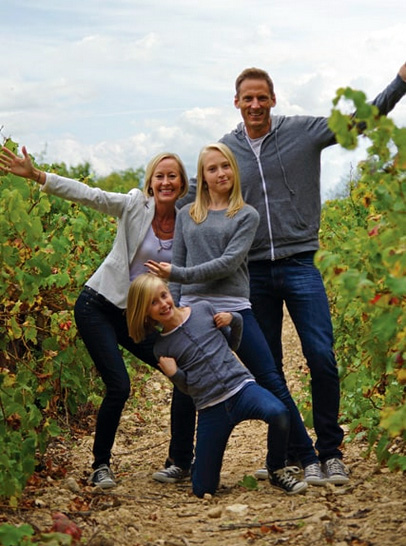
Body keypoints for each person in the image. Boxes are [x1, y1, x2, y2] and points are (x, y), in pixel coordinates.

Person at [206, 62, 406, 482]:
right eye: (248, 98)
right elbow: (193, 191)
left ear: (273, 99)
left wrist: (400, 82)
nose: (256, 104)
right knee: (269, 368)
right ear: (237, 103)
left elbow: (360, 121)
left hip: (301, 262)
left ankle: (330, 451)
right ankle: (293, 452)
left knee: (321, 356)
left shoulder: (303, 131)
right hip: (253, 271)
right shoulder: (226, 150)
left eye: (263, 97)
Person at [0, 145, 195, 489]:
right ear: (151, 183)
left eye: (172, 176)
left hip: (136, 318)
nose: (166, 182)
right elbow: (88, 194)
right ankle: (100, 465)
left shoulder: (189, 224)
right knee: (119, 385)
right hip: (98, 306)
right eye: (159, 176)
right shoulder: (135, 205)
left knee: (185, 375)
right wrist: (36, 175)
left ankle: (180, 461)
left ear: (182, 183)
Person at [145, 142, 326, 486]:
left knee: (271, 380)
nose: (220, 173)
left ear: (234, 171)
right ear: (203, 176)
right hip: (194, 311)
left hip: (233, 308)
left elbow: (226, 264)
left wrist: (176, 275)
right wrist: (174, 320)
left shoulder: (246, 214)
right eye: (212, 169)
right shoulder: (187, 215)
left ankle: (307, 457)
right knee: (184, 386)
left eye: (225, 166)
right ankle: (180, 461)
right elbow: (180, 263)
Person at [126, 273, 309, 497]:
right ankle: (200, 467)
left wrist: (235, 320)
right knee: (203, 489)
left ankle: (276, 468)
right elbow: (187, 389)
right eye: (153, 303)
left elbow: (232, 344)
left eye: (163, 295)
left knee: (279, 412)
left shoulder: (202, 309)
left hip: (242, 389)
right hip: (212, 408)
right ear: (145, 313)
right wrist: (174, 374)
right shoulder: (162, 348)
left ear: (170, 292)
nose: (163, 304)